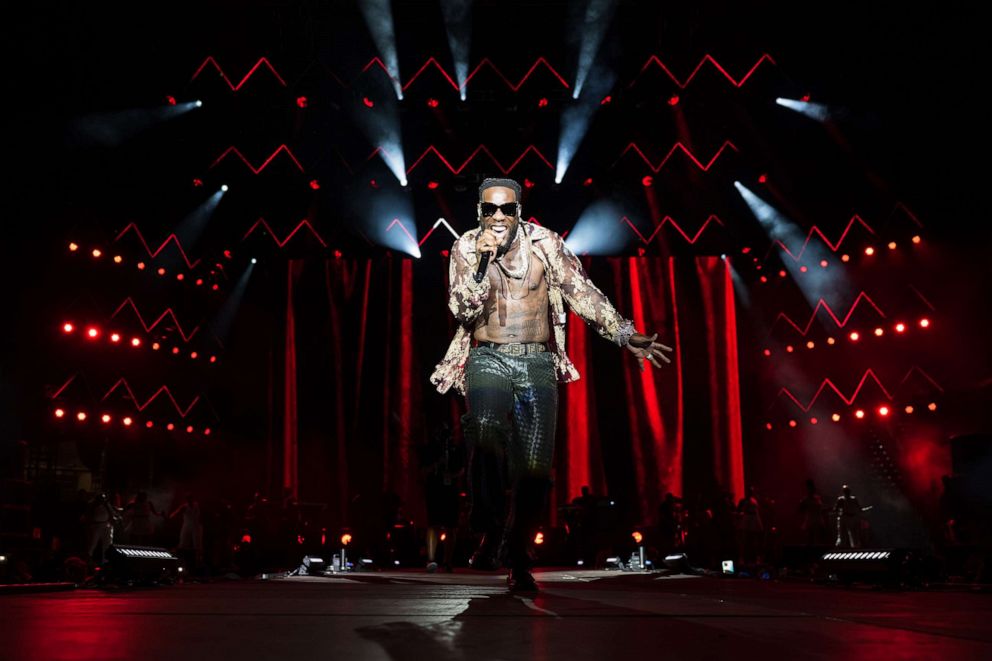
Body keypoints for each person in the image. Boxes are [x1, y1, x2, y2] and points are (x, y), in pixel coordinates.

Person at [431, 177, 673, 592]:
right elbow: (462, 309)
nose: (499, 217)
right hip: (487, 357)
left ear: (519, 210)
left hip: (537, 362)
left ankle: (517, 556)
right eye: (491, 209)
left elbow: (582, 292)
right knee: (485, 429)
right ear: (479, 211)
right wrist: (482, 264)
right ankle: (487, 525)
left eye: (508, 209)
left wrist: (623, 333)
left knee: (536, 470)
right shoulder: (467, 248)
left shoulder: (545, 244)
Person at [834, 484, 863, 548]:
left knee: (854, 535)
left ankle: (855, 548)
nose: (847, 492)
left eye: (847, 491)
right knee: (842, 534)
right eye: (845, 491)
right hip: (844, 517)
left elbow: (859, 508)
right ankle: (841, 548)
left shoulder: (854, 499)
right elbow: (836, 509)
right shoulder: (841, 499)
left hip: (852, 518)